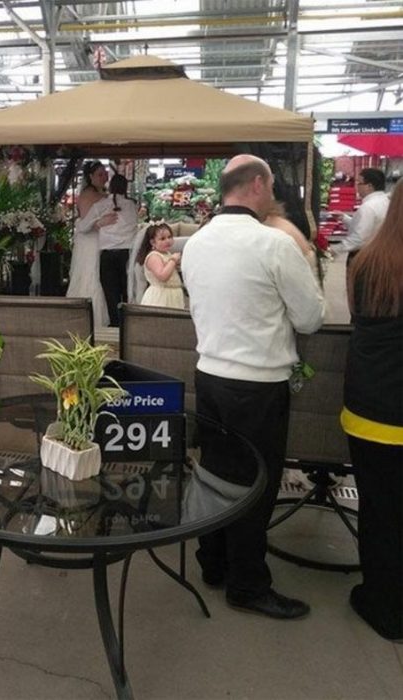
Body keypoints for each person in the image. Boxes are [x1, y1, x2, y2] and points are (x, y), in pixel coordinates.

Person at [181, 154, 325, 620]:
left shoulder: (197, 244)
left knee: (216, 474)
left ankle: (213, 562)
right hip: (258, 384)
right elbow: (311, 317)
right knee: (256, 486)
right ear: (259, 185)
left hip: (210, 377)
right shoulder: (273, 245)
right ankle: (247, 584)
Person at [340, 178, 403, 642]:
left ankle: (381, 603)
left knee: (378, 511)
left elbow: (356, 323)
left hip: (368, 410)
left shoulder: (363, 263)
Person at [67, 161, 115, 328]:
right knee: (90, 274)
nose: (104, 177)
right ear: (90, 177)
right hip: (89, 241)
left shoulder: (104, 193)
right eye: (100, 174)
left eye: (105, 174)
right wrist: (102, 222)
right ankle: (88, 317)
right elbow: (85, 223)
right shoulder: (88, 194)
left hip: (102, 240)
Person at [98, 174, 138, 325]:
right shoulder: (132, 205)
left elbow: (86, 223)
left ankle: (115, 323)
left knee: (110, 293)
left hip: (107, 253)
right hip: (127, 252)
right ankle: (127, 322)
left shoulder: (102, 204)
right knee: (127, 290)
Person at [331, 168, 389, 264]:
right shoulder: (386, 202)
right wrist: (344, 218)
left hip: (365, 257)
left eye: (359, 183)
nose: (357, 186)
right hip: (382, 255)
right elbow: (365, 226)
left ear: (369, 186)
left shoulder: (368, 207)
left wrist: (335, 249)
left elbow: (359, 238)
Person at [135, 222, 184, 309]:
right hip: (161, 296)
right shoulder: (154, 256)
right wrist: (173, 261)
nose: (167, 241)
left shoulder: (167, 253)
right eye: (162, 239)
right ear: (153, 242)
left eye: (169, 237)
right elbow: (162, 276)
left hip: (173, 295)